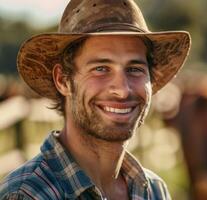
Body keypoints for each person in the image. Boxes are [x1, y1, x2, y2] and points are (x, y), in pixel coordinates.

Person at [0, 0, 191, 199]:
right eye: (101, 69)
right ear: (62, 80)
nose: (122, 90)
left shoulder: (154, 191)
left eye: (135, 69)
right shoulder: (28, 194)